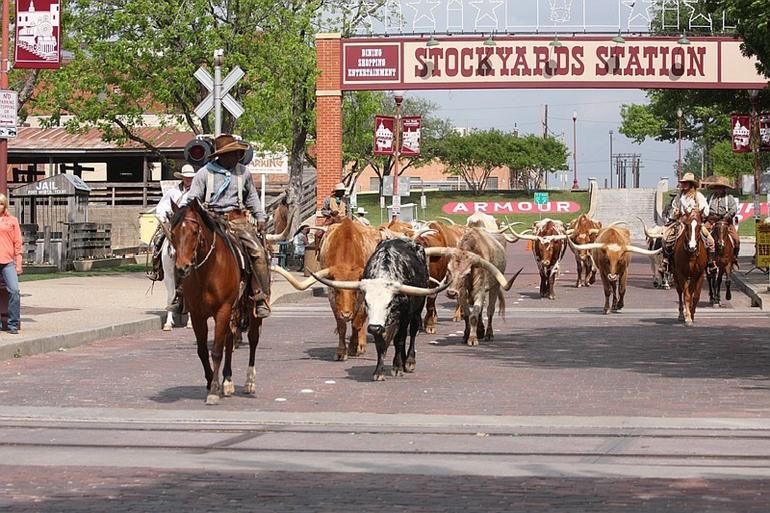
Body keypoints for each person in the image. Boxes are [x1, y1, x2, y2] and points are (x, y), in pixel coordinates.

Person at [182, 134, 272, 319]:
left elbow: (252, 198)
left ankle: (260, 295)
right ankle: (180, 294)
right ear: (221, 156)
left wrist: (260, 218)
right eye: (232, 153)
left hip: (237, 220)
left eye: (238, 153)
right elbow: (193, 198)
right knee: (184, 250)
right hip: (210, 219)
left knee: (259, 253)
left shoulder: (243, 173)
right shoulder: (204, 173)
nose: (237, 156)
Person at [148, 165, 195, 282]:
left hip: (191, 222)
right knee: (158, 238)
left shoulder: (197, 191)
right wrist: (163, 218)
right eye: (186, 177)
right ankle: (157, 267)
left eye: (190, 177)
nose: (188, 179)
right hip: (175, 222)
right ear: (182, 178)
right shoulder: (173, 192)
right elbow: (162, 206)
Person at [661, 172, 716, 271]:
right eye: (683, 183)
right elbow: (673, 210)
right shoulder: (679, 197)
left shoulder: (698, 196)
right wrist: (675, 212)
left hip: (695, 223)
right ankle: (666, 261)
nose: (684, 185)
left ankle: (710, 262)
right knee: (666, 237)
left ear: (691, 184)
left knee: (711, 241)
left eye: (686, 183)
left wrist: (698, 212)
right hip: (681, 222)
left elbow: (706, 211)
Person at [0, 193, 22, 334]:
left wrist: (18, 263)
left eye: (1, 204)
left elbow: (18, 242)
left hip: (8, 261)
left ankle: (13, 323)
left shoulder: (12, 221)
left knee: (14, 291)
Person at [705, 175, 740, 262]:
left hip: (725, 221)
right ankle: (704, 256)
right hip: (711, 220)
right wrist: (707, 215)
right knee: (700, 234)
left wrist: (727, 216)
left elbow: (734, 208)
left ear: (724, 188)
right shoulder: (710, 197)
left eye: (721, 187)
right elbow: (705, 208)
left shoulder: (729, 198)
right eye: (717, 187)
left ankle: (734, 256)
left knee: (736, 239)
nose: (719, 189)